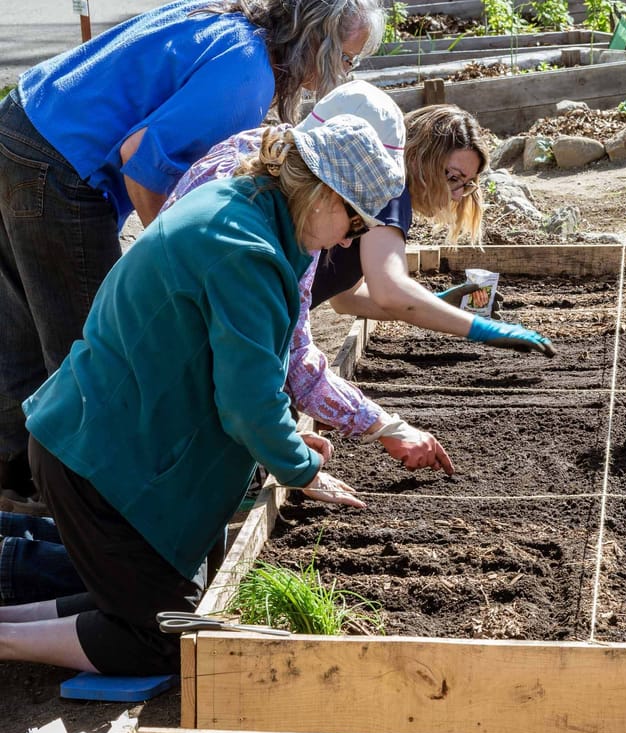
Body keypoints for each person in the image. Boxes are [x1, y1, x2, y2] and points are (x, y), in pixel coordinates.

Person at [0, 115, 405, 675]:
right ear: (321, 193)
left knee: (155, 606)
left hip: (99, 436)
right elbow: (248, 401)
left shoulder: (241, 204)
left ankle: (9, 624)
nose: (346, 240)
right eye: (353, 223)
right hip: (99, 458)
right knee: (169, 640)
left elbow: (231, 372)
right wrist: (299, 469)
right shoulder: (248, 252)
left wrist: (285, 443)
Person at [0, 0, 385, 502]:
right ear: (319, 41)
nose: (342, 73)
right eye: (347, 59)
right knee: (98, 353)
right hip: (59, 167)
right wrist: (181, 261)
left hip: (20, 125)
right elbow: (141, 161)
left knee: (20, 335)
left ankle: (18, 491)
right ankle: (88, 504)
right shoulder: (248, 74)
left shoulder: (225, 24)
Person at [163, 82, 554, 469]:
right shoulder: (379, 193)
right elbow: (386, 293)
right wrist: (478, 329)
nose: (458, 193)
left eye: (466, 184)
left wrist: (432, 306)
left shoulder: (265, 170)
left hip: (226, 336)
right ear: (419, 157)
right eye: (452, 177)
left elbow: (345, 298)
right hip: (214, 349)